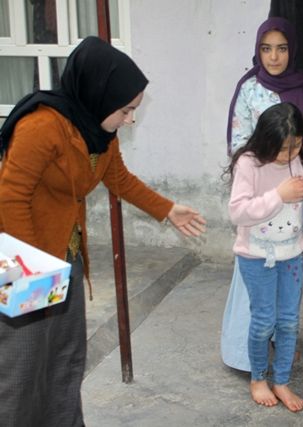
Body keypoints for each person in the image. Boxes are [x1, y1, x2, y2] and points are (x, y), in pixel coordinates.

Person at [0, 36, 206, 427]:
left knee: (65, 359)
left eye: (133, 111)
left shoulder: (99, 132)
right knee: (23, 366)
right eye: (126, 110)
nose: (130, 120)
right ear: (98, 93)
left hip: (65, 255)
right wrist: (30, 271)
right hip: (21, 260)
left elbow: (119, 179)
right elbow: (10, 199)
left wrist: (167, 209)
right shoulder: (41, 126)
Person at [222, 17, 303, 372]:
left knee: (292, 275)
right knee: (254, 283)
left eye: (282, 48)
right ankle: (244, 353)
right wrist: (271, 182)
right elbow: (240, 143)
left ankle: (283, 343)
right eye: (266, 49)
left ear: (293, 50)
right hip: (261, 199)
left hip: (301, 194)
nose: (274, 57)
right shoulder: (249, 89)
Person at [226, 102, 303, 412]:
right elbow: (238, 212)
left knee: (289, 321)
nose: (289, 154)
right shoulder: (249, 163)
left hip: (292, 255)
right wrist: (278, 196)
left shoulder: (299, 160)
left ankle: (282, 381)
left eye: (296, 145)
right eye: (283, 148)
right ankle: (258, 378)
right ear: (266, 140)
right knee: (263, 321)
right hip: (256, 256)